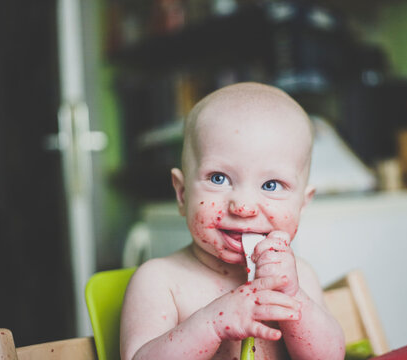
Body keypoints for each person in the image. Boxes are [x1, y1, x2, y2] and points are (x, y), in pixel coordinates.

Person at [120, 82, 345, 359]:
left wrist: (294, 298)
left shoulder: (299, 278)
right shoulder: (159, 281)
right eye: (219, 178)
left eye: (271, 185)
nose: (244, 207)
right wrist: (212, 324)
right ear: (181, 193)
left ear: (302, 203)